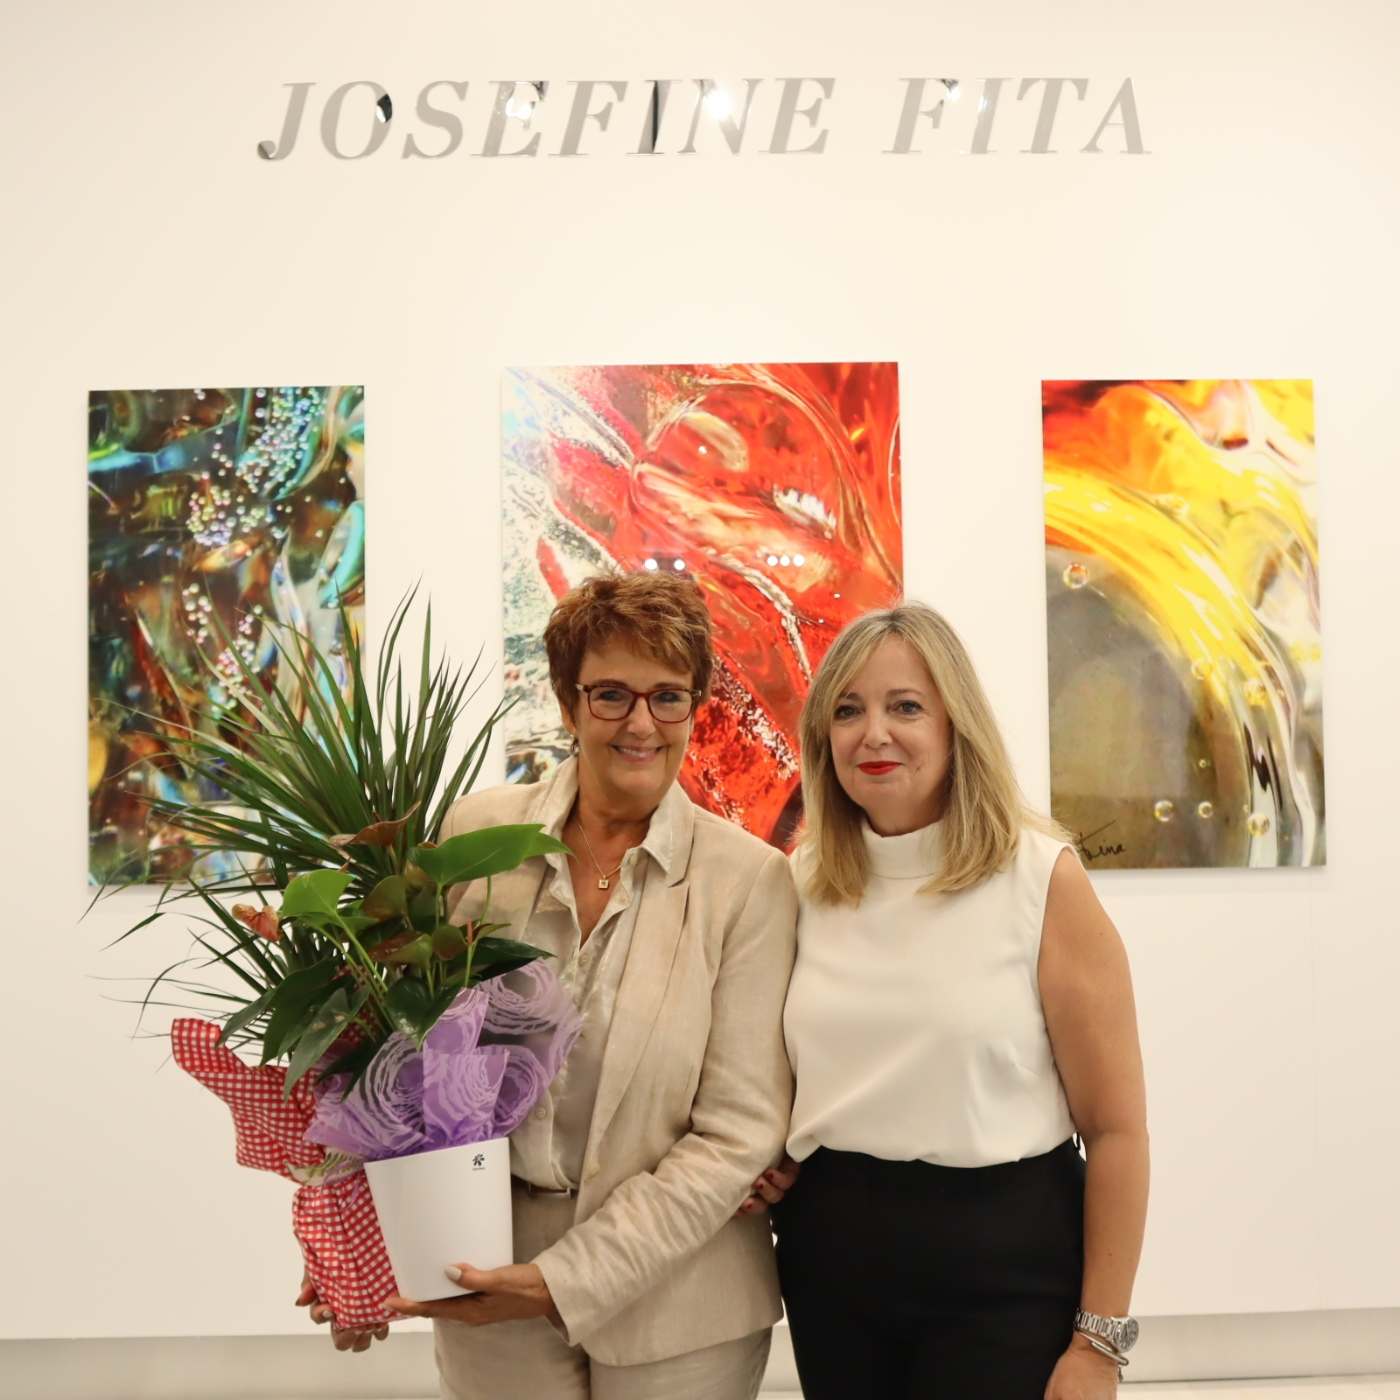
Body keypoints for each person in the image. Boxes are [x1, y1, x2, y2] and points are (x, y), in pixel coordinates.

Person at [328, 572, 797, 1400]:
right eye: (611, 694)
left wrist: (564, 1280)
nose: (641, 723)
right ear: (566, 700)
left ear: (696, 707)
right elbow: (396, 1056)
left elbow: (737, 1132)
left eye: (668, 697)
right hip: (484, 1269)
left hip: (681, 1297)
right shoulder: (478, 835)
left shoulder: (750, 881)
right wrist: (352, 1235)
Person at [740, 601, 1149, 1400]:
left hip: (1003, 1265)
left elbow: (1118, 1132)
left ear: (957, 726)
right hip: (831, 1266)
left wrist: (1100, 1344)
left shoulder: (1040, 879)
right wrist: (773, 1151)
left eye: (905, 707)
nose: (874, 734)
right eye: (848, 711)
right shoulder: (801, 880)